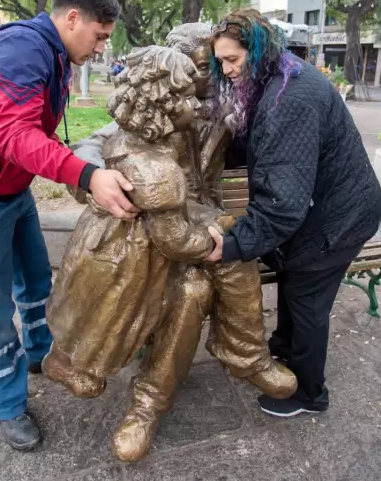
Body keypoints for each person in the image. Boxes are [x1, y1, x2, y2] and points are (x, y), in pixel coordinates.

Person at [45, 26, 295, 463]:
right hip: (146, 236)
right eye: (201, 67)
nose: (210, 76)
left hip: (193, 222)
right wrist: (95, 181)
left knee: (220, 264)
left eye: (214, 66)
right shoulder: (155, 107)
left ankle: (204, 375)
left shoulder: (223, 112)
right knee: (200, 281)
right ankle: (168, 395)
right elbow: (91, 144)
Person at [0, 0, 138, 452]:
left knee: (36, 279)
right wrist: (87, 175)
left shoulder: (55, 53)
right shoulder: (23, 49)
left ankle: (43, 354)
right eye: (99, 36)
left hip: (9, 185)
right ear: (72, 18)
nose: (101, 48)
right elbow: (18, 137)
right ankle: (6, 402)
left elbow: (33, 136)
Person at [204, 9, 381, 418]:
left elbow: (283, 205)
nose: (226, 70)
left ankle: (308, 393)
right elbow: (266, 147)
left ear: (259, 50)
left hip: (339, 220)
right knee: (294, 279)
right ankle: (285, 351)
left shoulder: (288, 100)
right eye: (221, 62)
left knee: (306, 299)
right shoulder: (283, 76)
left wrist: (231, 246)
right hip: (327, 209)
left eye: (233, 59)